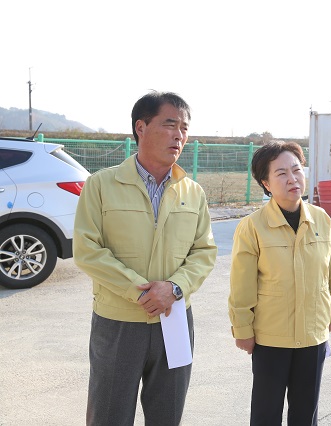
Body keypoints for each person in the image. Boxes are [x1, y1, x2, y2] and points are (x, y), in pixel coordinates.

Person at [73, 91, 217, 425]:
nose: (179, 135)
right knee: (109, 414)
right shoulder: (101, 185)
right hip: (119, 321)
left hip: (175, 317)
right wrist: (142, 291)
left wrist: (174, 288)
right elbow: (88, 250)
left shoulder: (193, 192)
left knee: (167, 413)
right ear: (141, 127)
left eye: (184, 127)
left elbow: (204, 251)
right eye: (170, 124)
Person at [228, 141, 331, 425]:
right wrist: (242, 328)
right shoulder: (252, 226)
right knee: (266, 413)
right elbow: (241, 286)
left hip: (312, 335)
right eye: (281, 173)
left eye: (296, 170)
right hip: (270, 337)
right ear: (265, 183)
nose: (292, 179)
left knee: (305, 414)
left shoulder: (322, 221)